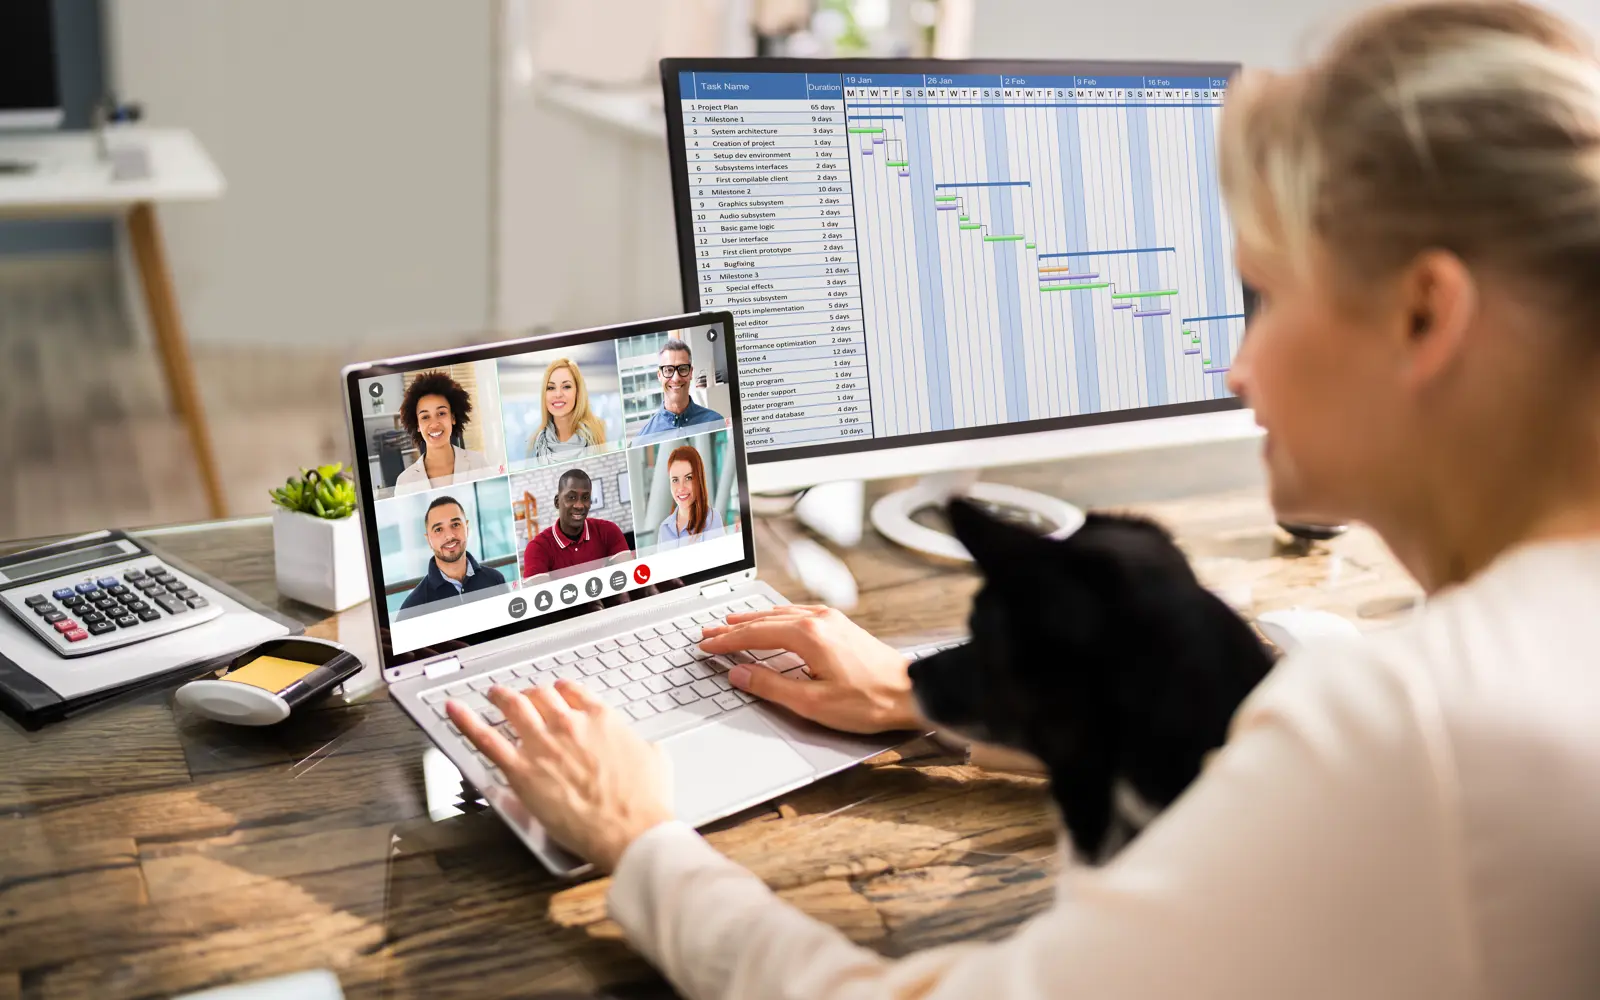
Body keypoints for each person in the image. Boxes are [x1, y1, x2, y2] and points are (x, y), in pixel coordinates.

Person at [450, 3, 1600, 997]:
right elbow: (1303, 683)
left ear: (1422, 317)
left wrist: (641, 839)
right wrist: (928, 695)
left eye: (1264, 293)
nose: (1236, 367)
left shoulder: (1415, 740)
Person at [399, 497, 507, 611]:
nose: (450, 535)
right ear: (428, 540)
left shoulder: (495, 580)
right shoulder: (413, 607)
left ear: (467, 528)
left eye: (455, 524)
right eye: (438, 529)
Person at [394, 371, 492, 494]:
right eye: (425, 417)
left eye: (441, 413)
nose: (434, 424)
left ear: (453, 418)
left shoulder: (478, 463)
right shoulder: (404, 482)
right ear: (417, 425)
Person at [521, 469, 630, 578]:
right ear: (557, 502)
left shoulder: (608, 531)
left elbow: (628, 576)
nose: (579, 505)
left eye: (585, 498)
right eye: (571, 497)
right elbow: (539, 593)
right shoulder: (537, 549)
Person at [632, 339, 723, 442]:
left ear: (691, 373)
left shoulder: (716, 423)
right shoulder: (643, 439)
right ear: (659, 375)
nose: (676, 378)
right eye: (668, 370)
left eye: (682, 369)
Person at [525, 357, 609, 464]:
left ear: (577, 392)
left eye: (566, 386)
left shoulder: (600, 431)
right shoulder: (535, 444)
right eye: (551, 388)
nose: (558, 394)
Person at [654, 445, 725, 550]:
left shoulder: (712, 519)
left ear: (698, 479)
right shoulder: (664, 528)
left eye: (688, 478)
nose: (681, 488)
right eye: (675, 480)